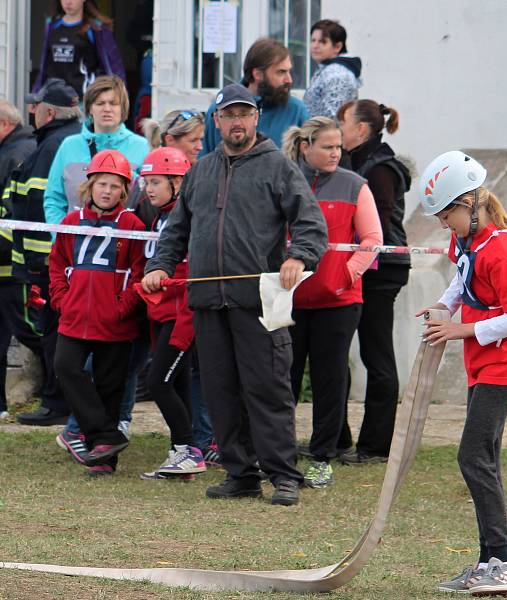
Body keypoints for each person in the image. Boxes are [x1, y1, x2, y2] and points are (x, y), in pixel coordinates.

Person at [141, 84, 327, 506]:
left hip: (259, 299)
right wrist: (159, 266)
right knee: (220, 391)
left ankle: (283, 475)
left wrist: (299, 256)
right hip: (208, 303)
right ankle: (240, 473)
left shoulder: (277, 167)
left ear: (256, 119)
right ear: (217, 121)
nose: (237, 122)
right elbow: (177, 231)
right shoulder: (201, 171)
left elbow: (311, 223)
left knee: (267, 388)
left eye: (245, 114)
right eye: (229, 115)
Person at [417, 151, 507, 596]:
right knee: (482, 454)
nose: (445, 225)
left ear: (469, 203)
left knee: (473, 456)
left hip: (506, 364)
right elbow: (462, 278)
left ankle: (503, 562)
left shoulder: (502, 249)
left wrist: (459, 328)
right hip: (482, 362)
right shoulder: (469, 241)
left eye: (448, 215)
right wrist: (444, 306)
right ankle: (489, 561)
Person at [283, 117, 381, 488]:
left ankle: (323, 456)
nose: (336, 153)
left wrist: (346, 275)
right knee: (284, 378)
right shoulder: (287, 181)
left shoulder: (356, 185)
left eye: (339, 146)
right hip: (291, 300)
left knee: (329, 379)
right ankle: (280, 449)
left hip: (339, 302)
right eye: (327, 146)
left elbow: (372, 238)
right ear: (305, 147)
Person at [49, 149, 146, 476]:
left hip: (115, 323)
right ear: (89, 186)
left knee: (110, 386)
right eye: (102, 184)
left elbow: (140, 272)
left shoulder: (132, 225)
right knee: (66, 367)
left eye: (115, 186)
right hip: (74, 317)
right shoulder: (71, 222)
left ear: (124, 191)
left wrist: (122, 307)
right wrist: (62, 299)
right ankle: (106, 436)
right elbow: (57, 264)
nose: (107, 191)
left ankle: (104, 458)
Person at [335, 100, 411, 464]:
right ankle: (336, 437)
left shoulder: (380, 169)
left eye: (343, 124)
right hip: (360, 268)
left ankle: (376, 445)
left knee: (376, 354)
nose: (339, 132)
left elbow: (373, 227)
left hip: (382, 272)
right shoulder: (355, 163)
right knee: (339, 353)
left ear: (361, 129)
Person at [140, 108, 217, 464]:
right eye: (146, 182)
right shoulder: (157, 215)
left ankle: (189, 449)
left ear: (176, 182)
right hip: (163, 311)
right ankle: (182, 451)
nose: (147, 189)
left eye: (155, 182)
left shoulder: (187, 217)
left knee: (158, 381)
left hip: (183, 313)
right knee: (179, 381)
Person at [8, 80, 81, 428]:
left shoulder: (53, 145)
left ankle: (57, 402)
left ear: (49, 112)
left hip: (46, 261)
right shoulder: (56, 141)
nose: (31, 111)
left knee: (50, 331)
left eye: (35, 106)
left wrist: (38, 263)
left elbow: (38, 204)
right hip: (52, 259)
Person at [44, 75, 149, 226]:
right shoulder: (69, 146)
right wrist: (61, 236)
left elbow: (148, 202)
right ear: (90, 109)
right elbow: (54, 199)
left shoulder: (142, 147)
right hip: (73, 245)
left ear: (123, 108)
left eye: (113, 103)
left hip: (122, 244)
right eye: (100, 103)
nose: (107, 109)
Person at [0, 100, 40, 422]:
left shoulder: (16, 154)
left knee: (29, 331)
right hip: (7, 267)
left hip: (11, 269)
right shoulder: (12, 150)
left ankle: (58, 391)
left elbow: (12, 214)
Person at [201, 38, 308, 155]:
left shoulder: (296, 110)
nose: (289, 80)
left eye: (289, 71)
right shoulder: (221, 109)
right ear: (257, 74)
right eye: (281, 72)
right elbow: (205, 161)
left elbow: (308, 162)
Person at [32, 0, 126, 100]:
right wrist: (36, 94)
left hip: (83, 102)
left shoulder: (96, 29)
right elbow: (44, 67)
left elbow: (114, 67)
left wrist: (119, 97)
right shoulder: (52, 26)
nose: (68, 2)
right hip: (54, 100)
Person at [304, 20, 361, 119]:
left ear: (337, 47)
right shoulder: (328, 68)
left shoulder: (338, 75)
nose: (315, 46)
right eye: (313, 40)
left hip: (325, 133)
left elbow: (333, 118)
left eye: (322, 41)